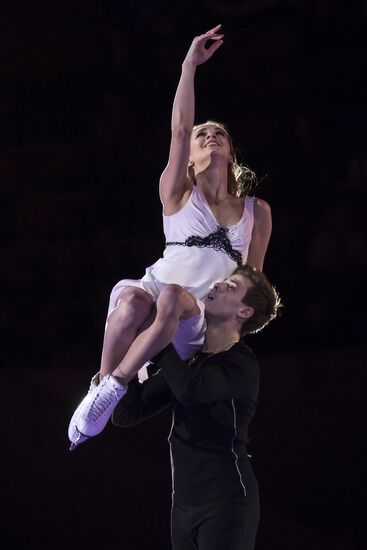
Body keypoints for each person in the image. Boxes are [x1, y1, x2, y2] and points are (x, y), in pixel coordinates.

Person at [68, 25, 272, 448]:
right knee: (128, 306)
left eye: (219, 133)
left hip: (198, 313)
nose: (209, 135)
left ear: (230, 152)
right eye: (203, 134)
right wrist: (188, 66)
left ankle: (122, 377)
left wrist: (225, 343)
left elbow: (252, 286)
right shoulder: (177, 192)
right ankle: (104, 389)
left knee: (174, 297)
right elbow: (179, 128)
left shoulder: (257, 211)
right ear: (191, 158)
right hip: (160, 288)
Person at [112, 264, 281, 550]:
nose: (216, 285)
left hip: (226, 501)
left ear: (244, 312)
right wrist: (123, 358)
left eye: (230, 287)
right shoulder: (190, 361)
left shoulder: (240, 363)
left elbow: (191, 390)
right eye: (222, 281)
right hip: (183, 507)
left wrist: (157, 335)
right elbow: (125, 414)